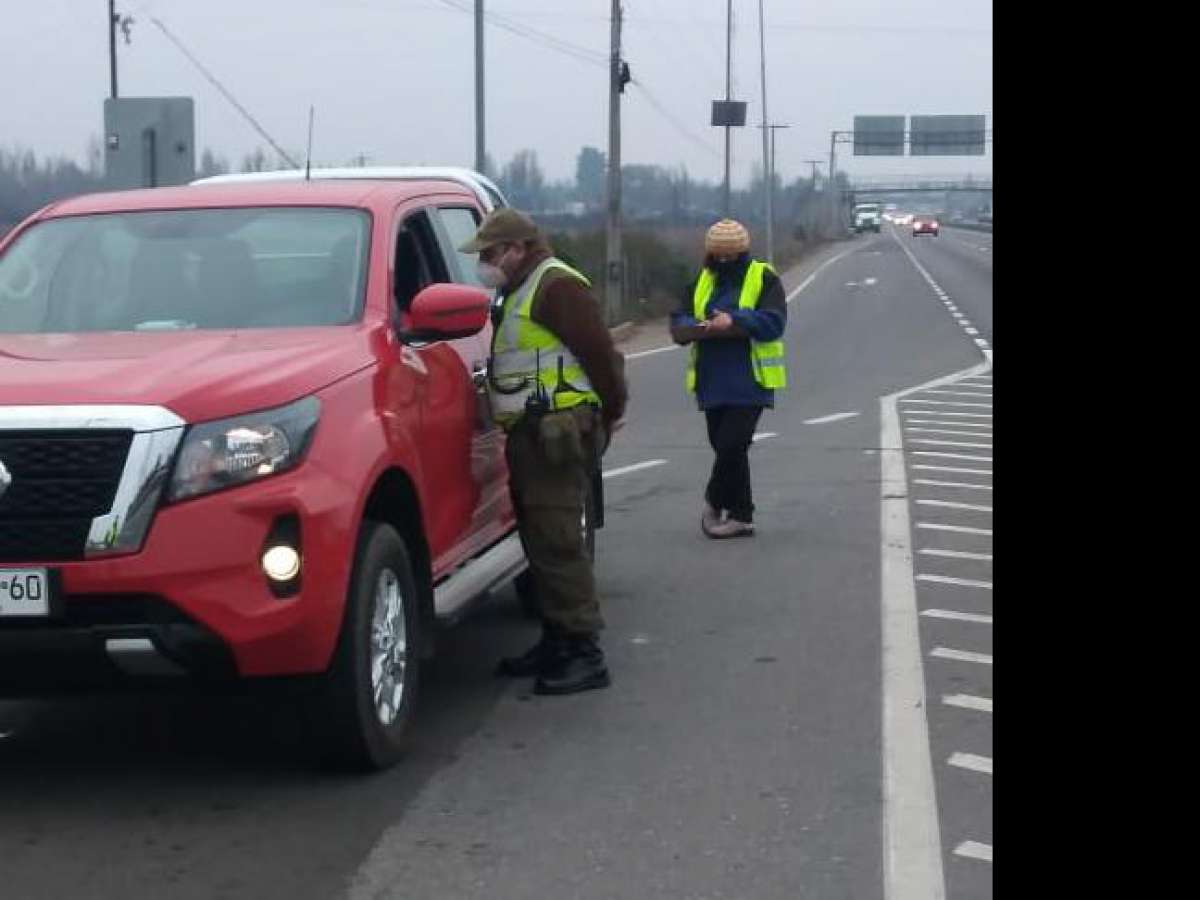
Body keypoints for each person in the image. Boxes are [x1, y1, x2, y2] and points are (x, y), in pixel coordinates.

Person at [460, 208, 628, 695]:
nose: (485, 264)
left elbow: (600, 354)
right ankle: (556, 640)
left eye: (490, 254)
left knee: (558, 542)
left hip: (557, 432)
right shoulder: (519, 288)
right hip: (533, 434)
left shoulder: (555, 285)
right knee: (539, 542)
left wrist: (610, 411)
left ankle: (583, 652)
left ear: (516, 248)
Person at [669, 219, 787, 539]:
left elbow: (774, 322)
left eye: (729, 255)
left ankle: (714, 500)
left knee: (731, 444)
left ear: (742, 252)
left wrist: (734, 320)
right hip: (711, 381)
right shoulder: (702, 280)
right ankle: (741, 515)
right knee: (727, 449)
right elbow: (678, 320)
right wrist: (698, 326)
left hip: (751, 380)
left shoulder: (762, 277)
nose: (723, 261)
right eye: (717, 255)